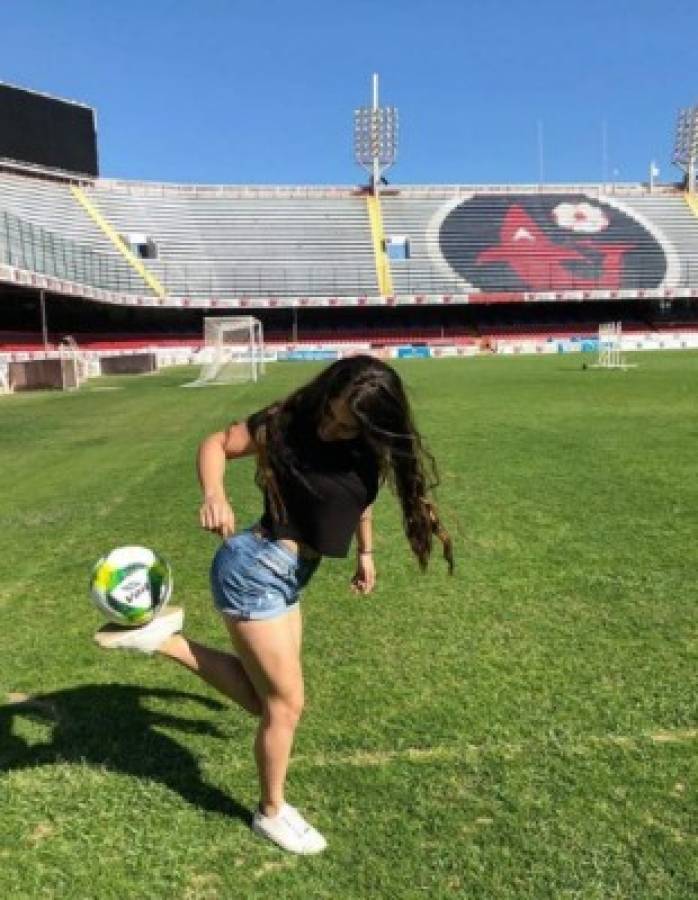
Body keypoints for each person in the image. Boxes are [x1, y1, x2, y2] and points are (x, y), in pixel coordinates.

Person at [97, 354, 453, 854]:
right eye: (330, 413)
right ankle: (271, 812)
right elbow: (217, 443)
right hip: (254, 570)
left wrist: (366, 552)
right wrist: (214, 493)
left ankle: (164, 641)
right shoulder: (288, 421)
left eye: (345, 426)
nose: (330, 429)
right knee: (285, 705)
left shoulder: (368, 448)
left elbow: (363, 499)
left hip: (289, 577)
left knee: (268, 702)